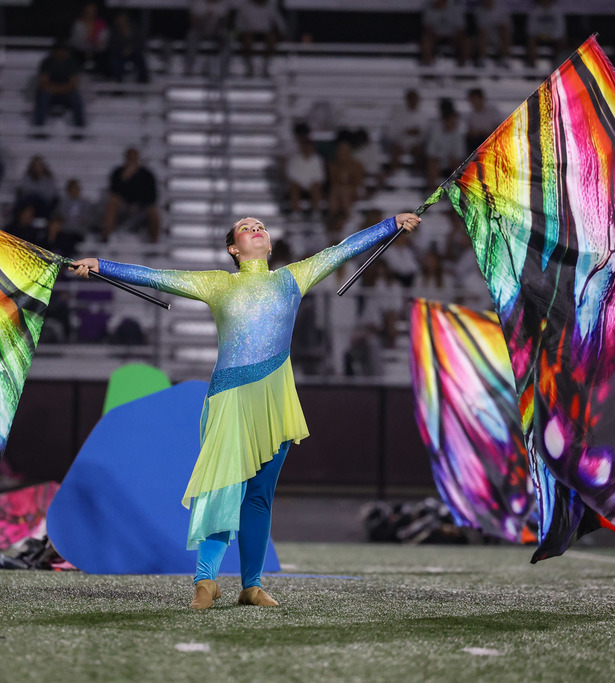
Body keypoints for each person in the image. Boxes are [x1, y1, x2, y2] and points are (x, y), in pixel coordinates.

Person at [70, 212, 421, 608]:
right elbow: (158, 276)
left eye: (261, 227)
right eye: (245, 227)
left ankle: (251, 585)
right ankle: (206, 581)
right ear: (233, 249)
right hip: (230, 398)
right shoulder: (218, 284)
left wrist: (390, 224)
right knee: (221, 487)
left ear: (269, 245)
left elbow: (341, 251)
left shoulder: (293, 278)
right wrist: (103, 265)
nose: (256, 228)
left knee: (259, 496)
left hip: (274, 398)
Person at [102, 147, 161, 242]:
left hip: (141, 207)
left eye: (134, 158)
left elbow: (152, 196)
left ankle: (154, 242)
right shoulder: (118, 173)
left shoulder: (146, 174)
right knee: (112, 202)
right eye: (130, 158)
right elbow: (114, 191)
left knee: (153, 211)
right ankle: (106, 235)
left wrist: (139, 204)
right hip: (123, 206)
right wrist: (124, 178)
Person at [33, 41, 85, 129]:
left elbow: (73, 84)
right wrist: (55, 89)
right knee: (43, 96)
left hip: (66, 93)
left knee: (77, 99)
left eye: (64, 50)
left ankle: (79, 129)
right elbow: (43, 83)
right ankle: (38, 128)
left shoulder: (72, 63)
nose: (61, 52)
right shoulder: (47, 62)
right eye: (59, 50)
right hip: (50, 93)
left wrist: (57, 89)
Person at [234, 0, 287, 77]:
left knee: (271, 38)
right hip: (249, 32)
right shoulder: (245, 6)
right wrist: (242, 32)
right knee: (247, 39)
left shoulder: (271, 6)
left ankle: (266, 67)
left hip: (265, 33)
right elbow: (238, 24)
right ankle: (249, 67)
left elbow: (279, 22)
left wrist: (282, 32)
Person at [69, 3, 109, 75]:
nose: (90, 12)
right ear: (84, 11)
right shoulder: (78, 24)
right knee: (76, 56)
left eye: (92, 10)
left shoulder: (100, 24)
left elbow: (104, 38)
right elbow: (80, 39)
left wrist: (96, 44)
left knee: (104, 56)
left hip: (97, 50)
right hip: (80, 50)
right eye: (88, 10)